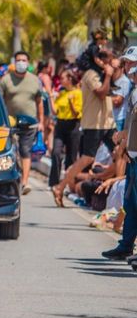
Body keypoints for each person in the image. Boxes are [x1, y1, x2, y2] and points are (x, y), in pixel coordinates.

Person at [53, 50, 116, 207]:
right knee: (87, 158)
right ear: (97, 60)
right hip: (94, 124)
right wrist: (108, 75)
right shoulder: (91, 75)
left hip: (108, 123)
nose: (110, 61)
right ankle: (60, 187)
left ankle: (115, 198)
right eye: (107, 59)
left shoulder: (101, 72)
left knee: (120, 154)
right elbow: (101, 93)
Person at [102, 46, 137, 259]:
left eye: (131, 63)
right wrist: (124, 140)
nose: (128, 67)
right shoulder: (133, 91)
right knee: (131, 205)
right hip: (133, 157)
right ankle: (125, 246)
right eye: (127, 63)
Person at [0, 51, 44, 195]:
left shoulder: (35, 80)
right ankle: (5, 180)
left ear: (28, 63)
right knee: (8, 151)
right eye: (18, 60)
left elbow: (39, 102)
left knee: (25, 151)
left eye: (24, 60)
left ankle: (25, 182)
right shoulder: (6, 80)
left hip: (29, 123)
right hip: (9, 123)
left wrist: (41, 121)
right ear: (14, 62)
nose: (21, 63)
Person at [48, 69, 82, 187]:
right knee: (56, 152)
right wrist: (51, 98)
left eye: (63, 78)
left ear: (70, 79)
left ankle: (68, 183)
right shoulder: (62, 93)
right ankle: (54, 183)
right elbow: (55, 111)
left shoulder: (78, 93)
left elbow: (76, 114)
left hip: (73, 125)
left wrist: (71, 103)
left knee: (71, 156)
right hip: (61, 125)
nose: (60, 81)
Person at [37, 61, 56, 151]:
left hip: (40, 101)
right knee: (47, 125)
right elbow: (49, 91)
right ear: (45, 68)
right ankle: (45, 146)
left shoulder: (38, 76)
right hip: (46, 102)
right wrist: (53, 101)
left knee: (46, 126)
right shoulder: (45, 77)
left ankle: (45, 145)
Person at [110, 53, 130, 131]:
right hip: (110, 119)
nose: (112, 71)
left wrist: (102, 98)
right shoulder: (109, 79)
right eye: (111, 68)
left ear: (122, 69)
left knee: (117, 143)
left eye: (115, 69)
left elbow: (117, 102)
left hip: (119, 120)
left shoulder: (124, 81)